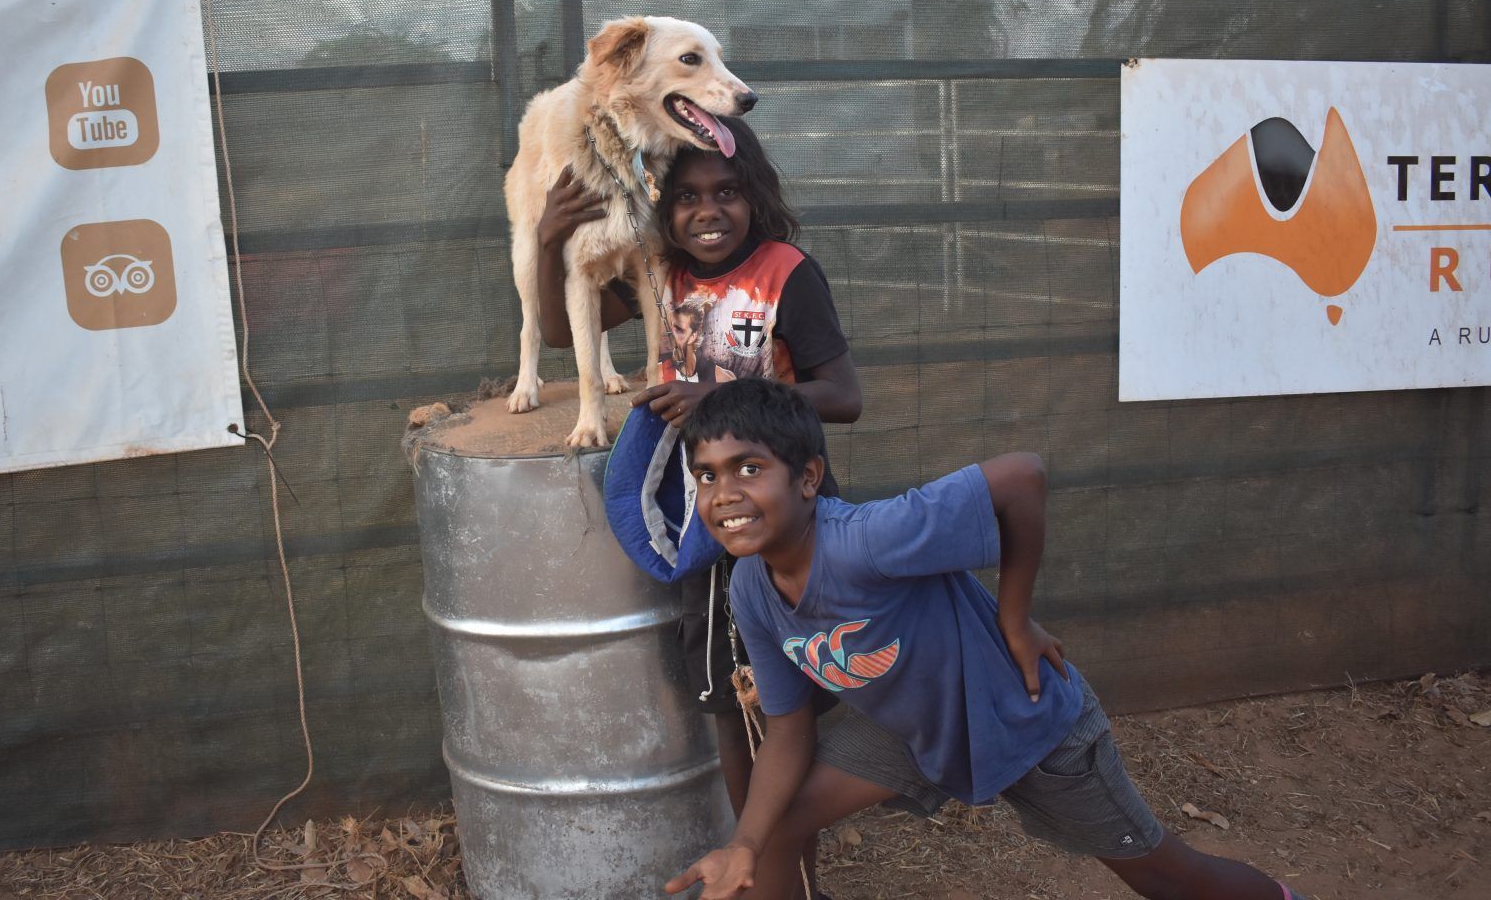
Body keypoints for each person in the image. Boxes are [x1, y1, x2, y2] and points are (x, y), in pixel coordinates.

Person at [664, 378, 1312, 900]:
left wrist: (1014, 619)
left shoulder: (869, 540)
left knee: (1171, 880)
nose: (726, 494)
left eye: (749, 468)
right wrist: (743, 844)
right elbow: (787, 729)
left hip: (1022, 717)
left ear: (808, 478)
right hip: (912, 728)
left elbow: (1021, 477)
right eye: (709, 475)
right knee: (774, 825)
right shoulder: (750, 585)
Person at [535, 117, 862, 839]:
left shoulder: (784, 271)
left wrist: (715, 397)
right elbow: (561, 333)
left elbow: (843, 396)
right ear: (660, 204)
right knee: (730, 700)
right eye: (685, 197)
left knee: (790, 704)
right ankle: (763, 860)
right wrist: (549, 238)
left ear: (756, 196)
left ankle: (784, 868)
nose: (707, 211)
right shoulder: (657, 273)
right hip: (705, 522)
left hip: (784, 523)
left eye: (727, 191)